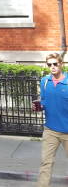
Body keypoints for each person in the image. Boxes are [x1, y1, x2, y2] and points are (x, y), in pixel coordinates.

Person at [36, 52, 68, 187]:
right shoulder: (45, 81)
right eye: (50, 64)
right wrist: (39, 106)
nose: (52, 67)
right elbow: (44, 101)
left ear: (61, 64)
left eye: (55, 64)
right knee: (45, 163)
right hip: (50, 130)